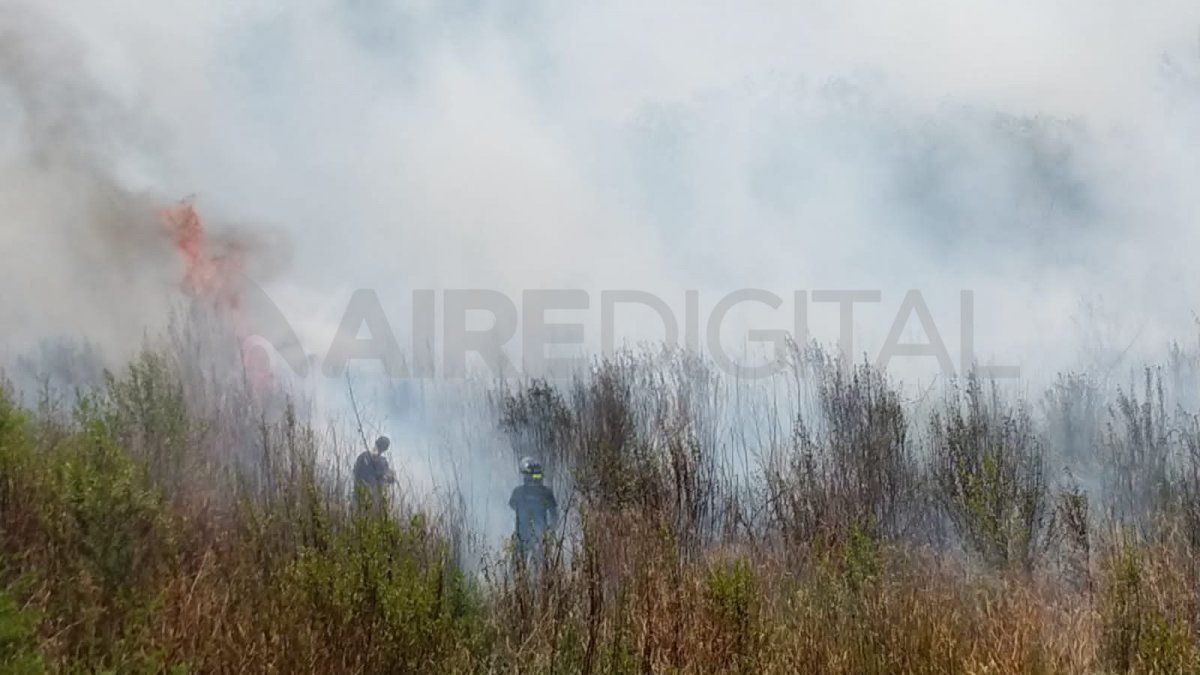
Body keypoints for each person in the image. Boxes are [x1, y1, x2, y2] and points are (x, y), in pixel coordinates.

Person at [509, 456, 557, 558]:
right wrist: (551, 530)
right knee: (537, 564)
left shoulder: (518, 492)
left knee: (521, 566)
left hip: (525, 536)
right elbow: (554, 515)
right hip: (532, 537)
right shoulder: (546, 492)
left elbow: (513, 506)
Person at [353, 435, 396, 512]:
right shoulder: (365, 456)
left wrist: (388, 476)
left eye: (383, 446)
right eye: (381, 445)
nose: (381, 447)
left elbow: (390, 478)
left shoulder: (383, 462)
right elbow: (355, 472)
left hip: (374, 498)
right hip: (361, 494)